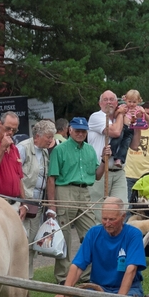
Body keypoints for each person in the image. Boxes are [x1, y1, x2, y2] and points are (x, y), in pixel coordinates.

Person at [46, 117, 107, 281]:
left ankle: (85, 275)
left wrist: (103, 160)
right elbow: (51, 178)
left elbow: (98, 175)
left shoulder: (90, 149)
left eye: (83, 131)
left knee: (91, 234)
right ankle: (63, 276)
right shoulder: (60, 149)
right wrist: (52, 205)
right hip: (65, 190)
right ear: (69, 130)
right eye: (77, 130)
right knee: (64, 236)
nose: (80, 133)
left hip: (85, 192)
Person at [18, 119, 57, 277]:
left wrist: (50, 205)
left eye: (51, 137)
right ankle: (18, 276)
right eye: (48, 137)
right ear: (37, 136)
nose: (50, 140)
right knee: (22, 241)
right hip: (24, 203)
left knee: (32, 243)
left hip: (37, 205)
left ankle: (28, 278)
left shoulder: (45, 151)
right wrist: (22, 201)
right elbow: (17, 175)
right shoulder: (23, 148)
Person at [88, 89, 128, 203]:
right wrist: (121, 113)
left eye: (112, 100)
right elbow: (116, 132)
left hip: (119, 172)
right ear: (100, 104)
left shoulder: (120, 118)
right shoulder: (96, 116)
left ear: (116, 103)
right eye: (105, 100)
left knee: (120, 209)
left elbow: (134, 145)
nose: (109, 102)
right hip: (100, 172)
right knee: (98, 211)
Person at [125, 101, 149, 197]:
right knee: (128, 207)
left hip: (147, 175)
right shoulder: (130, 127)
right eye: (147, 113)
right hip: (128, 174)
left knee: (146, 206)